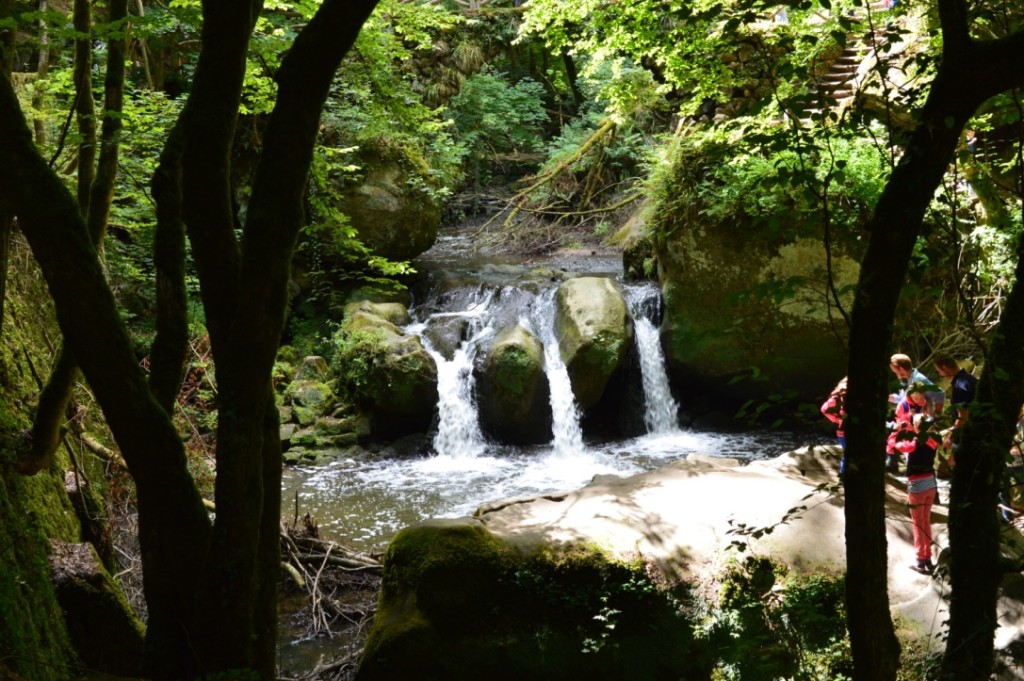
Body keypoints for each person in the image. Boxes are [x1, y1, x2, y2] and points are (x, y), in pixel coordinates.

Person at [892, 412, 939, 574]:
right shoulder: (933, 439)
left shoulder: (914, 442)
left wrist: (895, 432)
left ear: (917, 426)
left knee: (918, 524)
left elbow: (894, 446)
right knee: (926, 521)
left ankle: (920, 560)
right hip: (931, 483)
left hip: (917, 484)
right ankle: (928, 559)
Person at [932, 354, 977, 452]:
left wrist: (950, 438)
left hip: (967, 435)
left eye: (939, 371)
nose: (940, 375)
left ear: (944, 368)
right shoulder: (970, 378)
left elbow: (963, 417)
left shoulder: (959, 387)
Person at [886, 382, 930, 474]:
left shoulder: (924, 403)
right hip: (903, 429)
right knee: (893, 443)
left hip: (916, 429)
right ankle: (892, 463)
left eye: (920, 397)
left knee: (915, 448)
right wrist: (907, 417)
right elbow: (897, 418)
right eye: (916, 398)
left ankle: (913, 467)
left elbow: (927, 416)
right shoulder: (903, 404)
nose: (918, 400)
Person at [821, 377, 847, 476]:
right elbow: (824, 409)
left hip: (856, 430)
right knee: (848, 454)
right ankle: (843, 476)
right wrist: (836, 419)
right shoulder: (836, 398)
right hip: (843, 431)